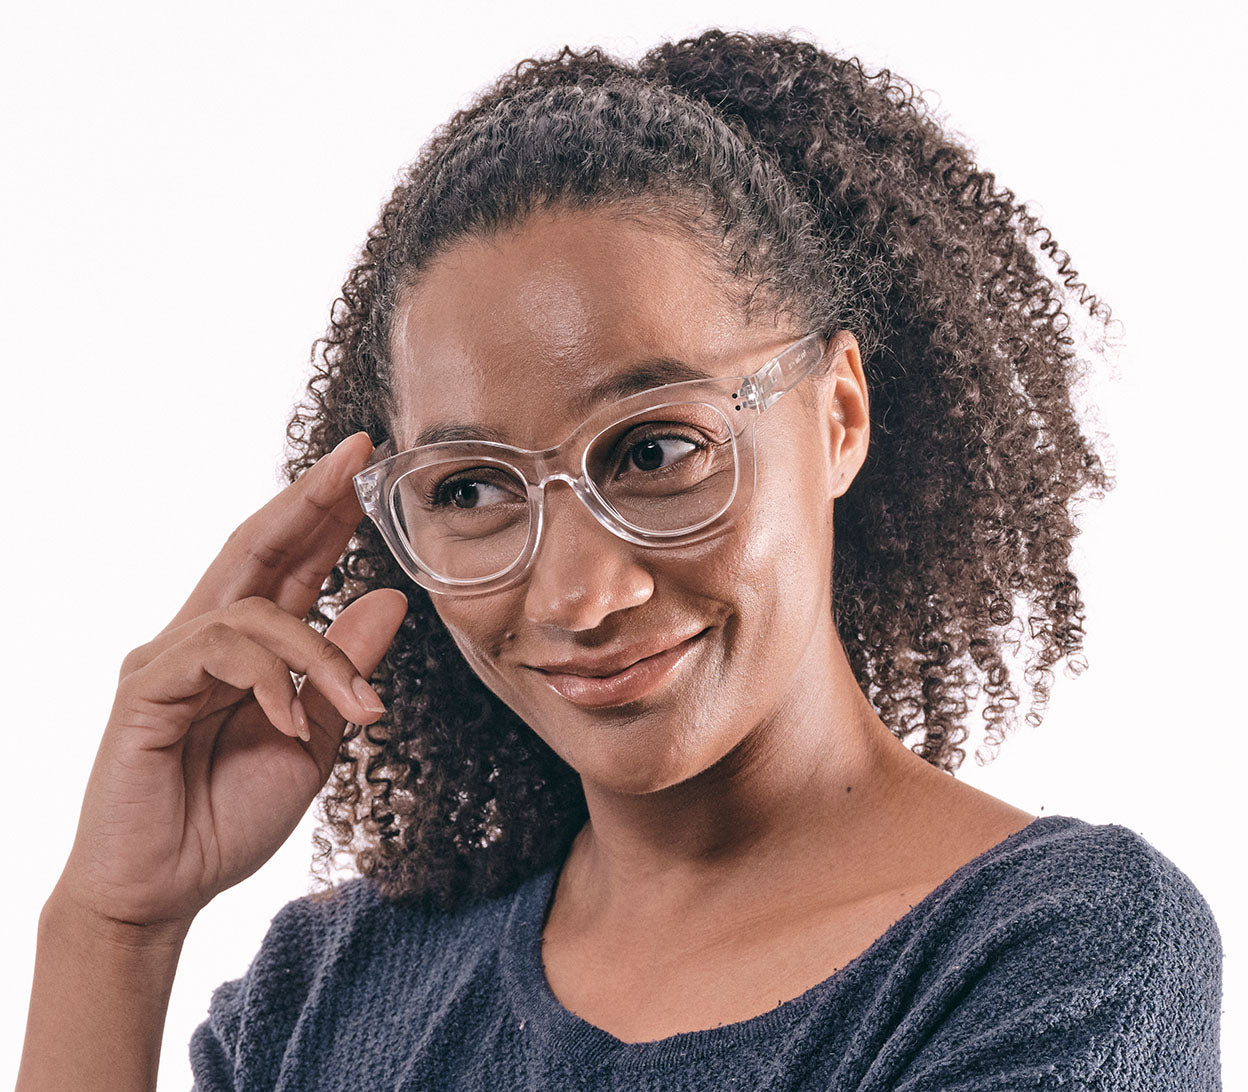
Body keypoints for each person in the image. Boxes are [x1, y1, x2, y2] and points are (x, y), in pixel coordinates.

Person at [18, 28, 1222, 1092]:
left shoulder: (1056, 951)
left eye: (654, 451)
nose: (583, 594)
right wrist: (111, 936)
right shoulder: (335, 991)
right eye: (472, 489)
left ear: (838, 413)